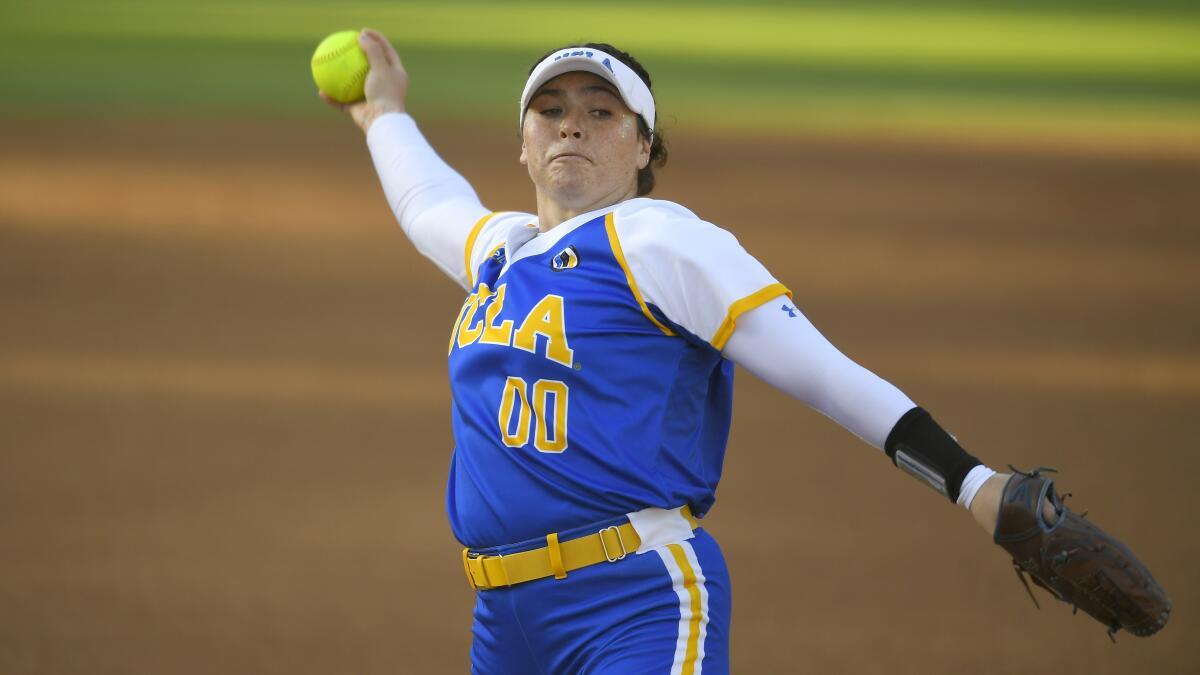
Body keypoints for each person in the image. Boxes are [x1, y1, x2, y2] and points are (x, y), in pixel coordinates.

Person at [321, 29, 1169, 674]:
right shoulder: (501, 252)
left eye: (601, 112)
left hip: (637, 601)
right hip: (502, 619)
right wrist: (384, 112)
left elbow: (823, 373)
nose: (572, 126)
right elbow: (429, 198)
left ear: (642, 147)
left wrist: (977, 486)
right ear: (523, 142)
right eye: (551, 110)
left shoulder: (656, 239)